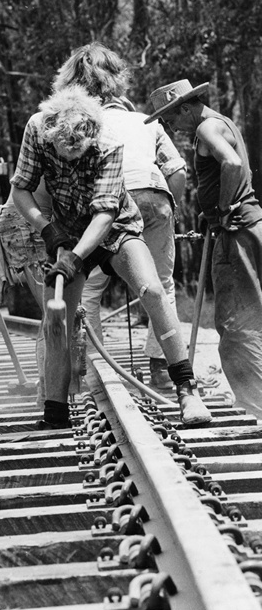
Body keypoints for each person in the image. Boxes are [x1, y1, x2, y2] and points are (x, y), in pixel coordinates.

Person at [11, 78, 212, 429]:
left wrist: (74, 258)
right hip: (66, 228)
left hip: (116, 226)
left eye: (79, 153)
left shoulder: (108, 141)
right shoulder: (36, 128)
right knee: (58, 318)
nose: (72, 159)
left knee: (152, 289)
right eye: (64, 153)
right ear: (51, 134)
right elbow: (21, 190)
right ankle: (55, 411)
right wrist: (48, 229)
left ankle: (186, 390)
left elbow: (104, 214)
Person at [62, 43, 187, 390]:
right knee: (160, 285)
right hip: (154, 195)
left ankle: (90, 368)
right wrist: (170, 208)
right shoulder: (145, 121)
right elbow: (177, 171)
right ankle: (162, 367)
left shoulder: (82, 123)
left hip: (107, 204)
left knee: (88, 290)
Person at [144, 79, 262, 412]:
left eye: (171, 119)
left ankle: (255, 405)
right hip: (242, 227)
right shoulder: (222, 122)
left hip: (235, 232)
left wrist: (223, 208)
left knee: (236, 323)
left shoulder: (207, 127)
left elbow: (233, 164)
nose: (171, 127)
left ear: (185, 108)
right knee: (247, 316)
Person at [0, 178, 52, 408]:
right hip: (26, 223)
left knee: (56, 310)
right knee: (53, 312)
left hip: (28, 220)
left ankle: (51, 387)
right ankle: (48, 391)